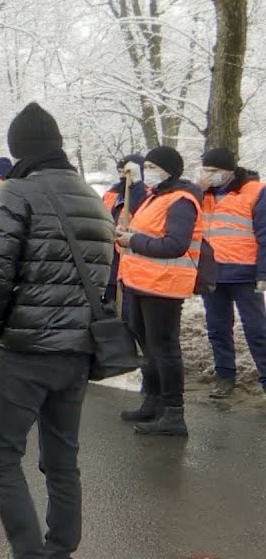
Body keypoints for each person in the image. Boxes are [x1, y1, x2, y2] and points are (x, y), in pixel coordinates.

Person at [0, 102, 113, 559]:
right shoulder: (93, 199)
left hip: (25, 348)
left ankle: (29, 553)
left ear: (18, 150)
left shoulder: (14, 192)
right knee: (61, 459)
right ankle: (61, 547)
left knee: (0, 455)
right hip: (76, 350)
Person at [117, 146, 203, 437]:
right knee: (148, 347)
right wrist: (124, 237)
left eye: (153, 166)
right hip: (142, 282)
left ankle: (173, 413)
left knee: (164, 349)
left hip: (165, 285)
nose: (148, 170)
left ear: (168, 170)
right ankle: (152, 401)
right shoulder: (156, 198)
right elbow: (141, 236)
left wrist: (134, 240)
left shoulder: (181, 201)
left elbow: (175, 244)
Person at [197, 148, 266, 399]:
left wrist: (263, 273)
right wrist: (198, 189)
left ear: (229, 171)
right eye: (205, 170)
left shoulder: (256, 191)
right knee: (217, 328)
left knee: (257, 329)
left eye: (213, 171)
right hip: (212, 273)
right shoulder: (202, 194)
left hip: (244, 273)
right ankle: (225, 377)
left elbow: (265, 234)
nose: (208, 175)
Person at [101, 154, 149, 309]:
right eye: (120, 172)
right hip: (109, 259)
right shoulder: (111, 194)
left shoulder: (146, 195)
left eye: (126, 172)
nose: (122, 176)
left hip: (130, 259)